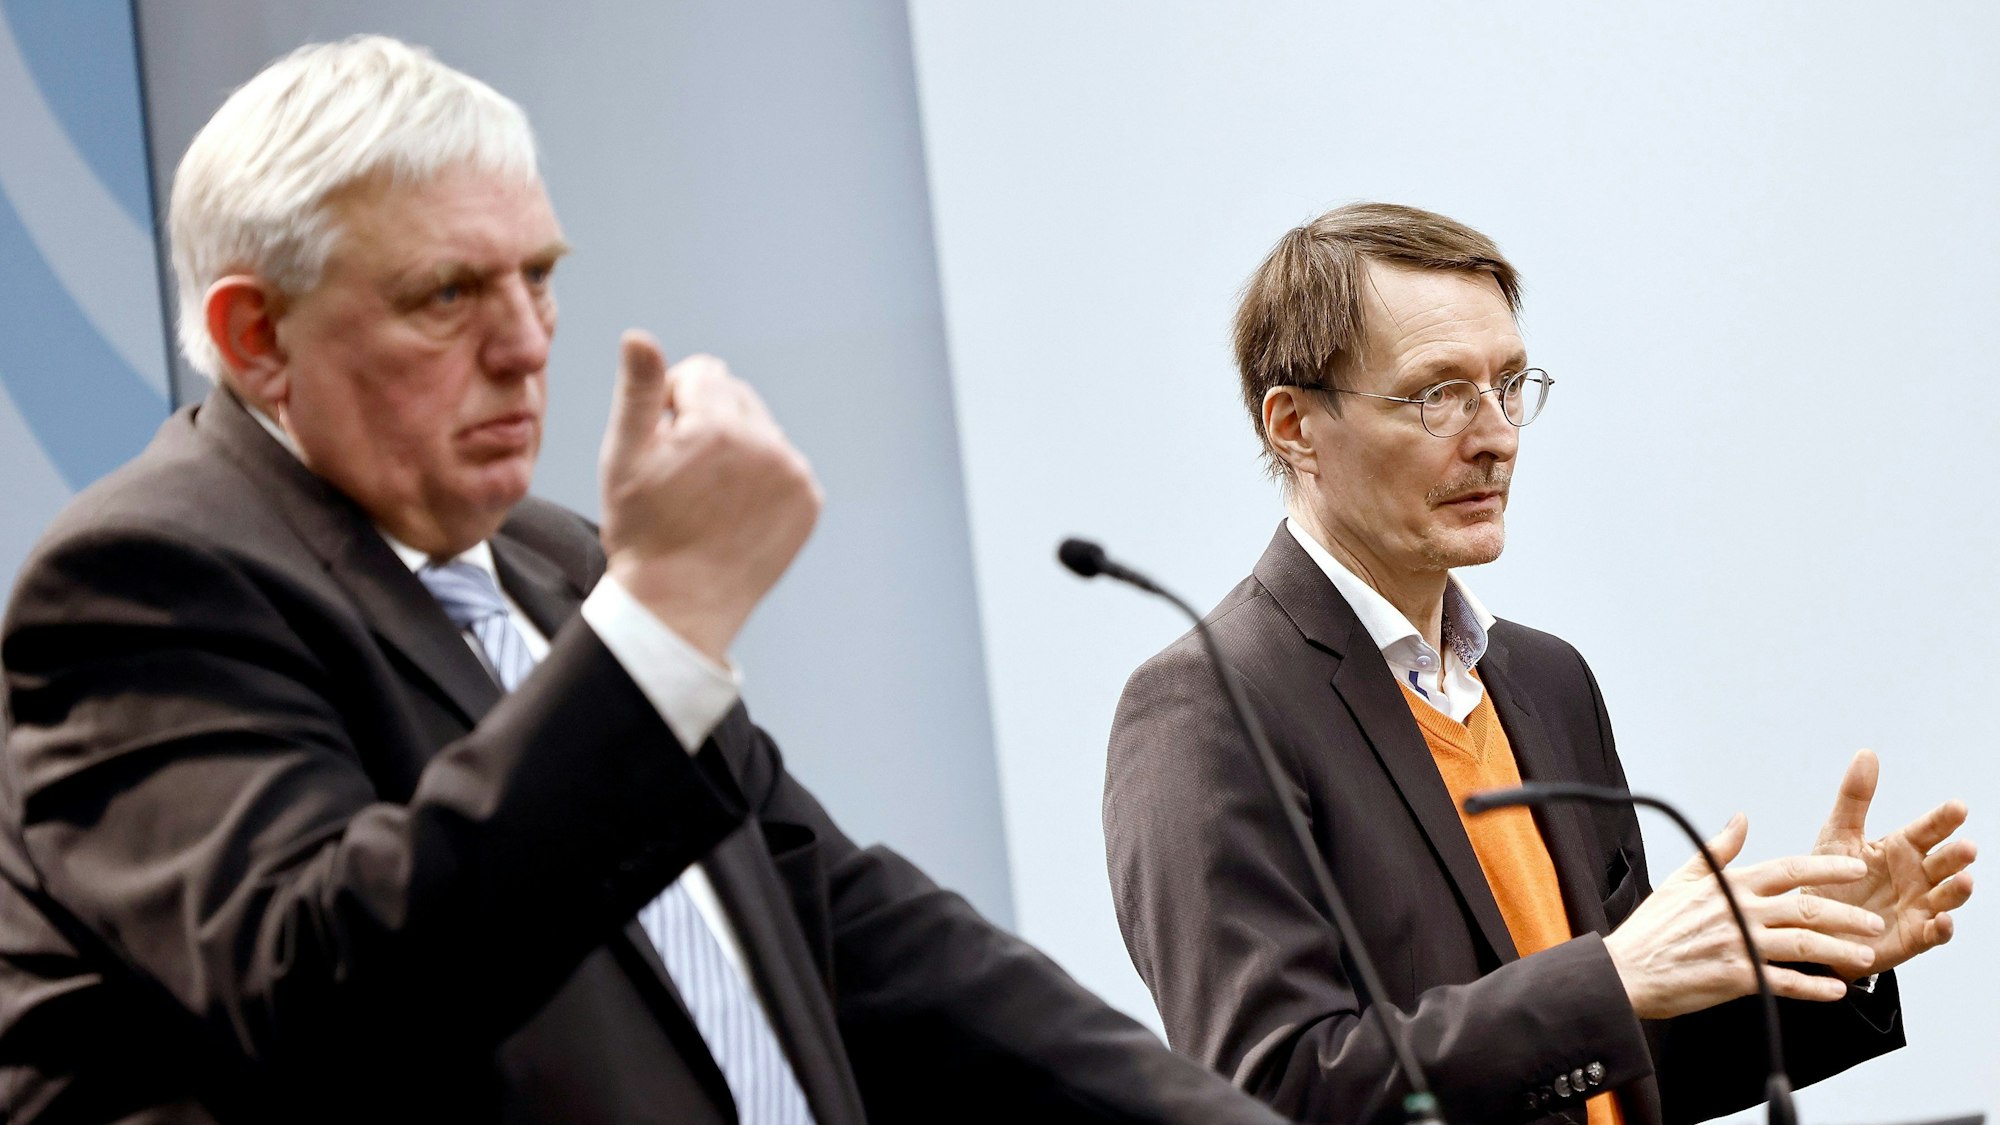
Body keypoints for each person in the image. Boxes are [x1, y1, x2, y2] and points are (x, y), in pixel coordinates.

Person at [0, 36, 1293, 1125]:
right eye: (446, 294)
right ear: (257, 337)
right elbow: (333, 994)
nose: (524, 346)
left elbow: (847, 927)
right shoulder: (145, 580)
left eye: (539, 277)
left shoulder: (555, 559)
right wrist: (662, 624)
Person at [1101, 202, 1977, 1125]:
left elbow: (1626, 1056)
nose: (1497, 435)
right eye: (1439, 393)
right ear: (1294, 426)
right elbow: (1278, 1091)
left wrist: (1827, 950)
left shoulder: (1550, 681)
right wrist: (1611, 980)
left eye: (1509, 385)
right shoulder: (1206, 708)